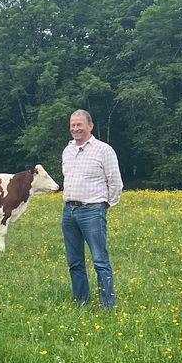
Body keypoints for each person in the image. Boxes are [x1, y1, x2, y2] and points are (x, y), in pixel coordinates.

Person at [61, 108, 122, 307]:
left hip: (92, 210)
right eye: (72, 125)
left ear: (90, 126)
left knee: (100, 260)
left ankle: (107, 304)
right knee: (74, 261)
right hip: (69, 211)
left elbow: (115, 182)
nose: (75, 128)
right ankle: (81, 302)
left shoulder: (103, 150)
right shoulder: (68, 151)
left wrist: (105, 205)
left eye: (79, 124)